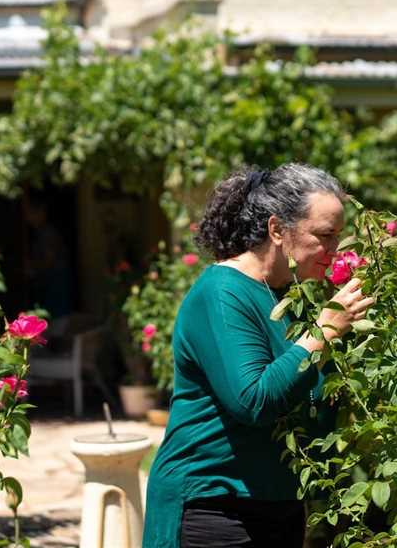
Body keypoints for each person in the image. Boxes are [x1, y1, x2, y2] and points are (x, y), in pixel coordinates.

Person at [143, 163, 375, 548]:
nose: (336, 251)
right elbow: (254, 399)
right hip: (215, 506)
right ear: (277, 230)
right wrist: (326, 330)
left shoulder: (289, 296)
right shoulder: (222, 294)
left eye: (339, 236)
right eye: (324, 236)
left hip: (276, 502)